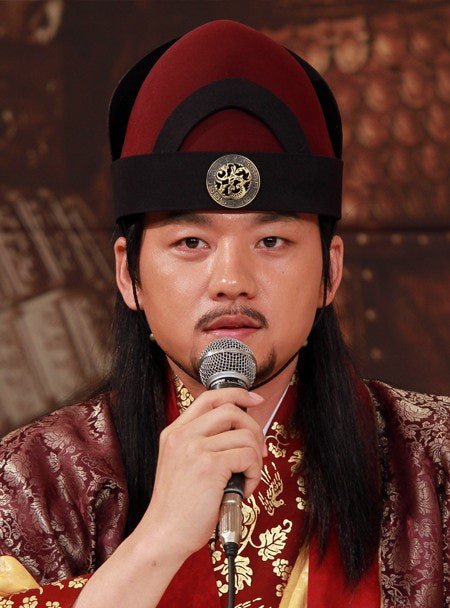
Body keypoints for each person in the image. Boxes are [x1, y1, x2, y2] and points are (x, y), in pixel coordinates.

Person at [0, 20, 448, 608]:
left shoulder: (433, 459)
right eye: (191, 243)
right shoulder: (35, 478)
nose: (232, 281)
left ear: (330, 272)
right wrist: (158, 541)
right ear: (129, 275)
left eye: (271, 242)